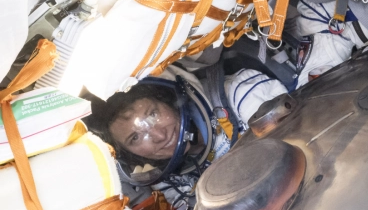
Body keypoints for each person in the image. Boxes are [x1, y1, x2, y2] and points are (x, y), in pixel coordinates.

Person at [88, 63, 287, 189]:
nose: (159, 135)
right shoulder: (175, 184)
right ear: (130, 154)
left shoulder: (241, 95)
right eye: (135, 138)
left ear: (169, 100)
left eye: (153, 114)